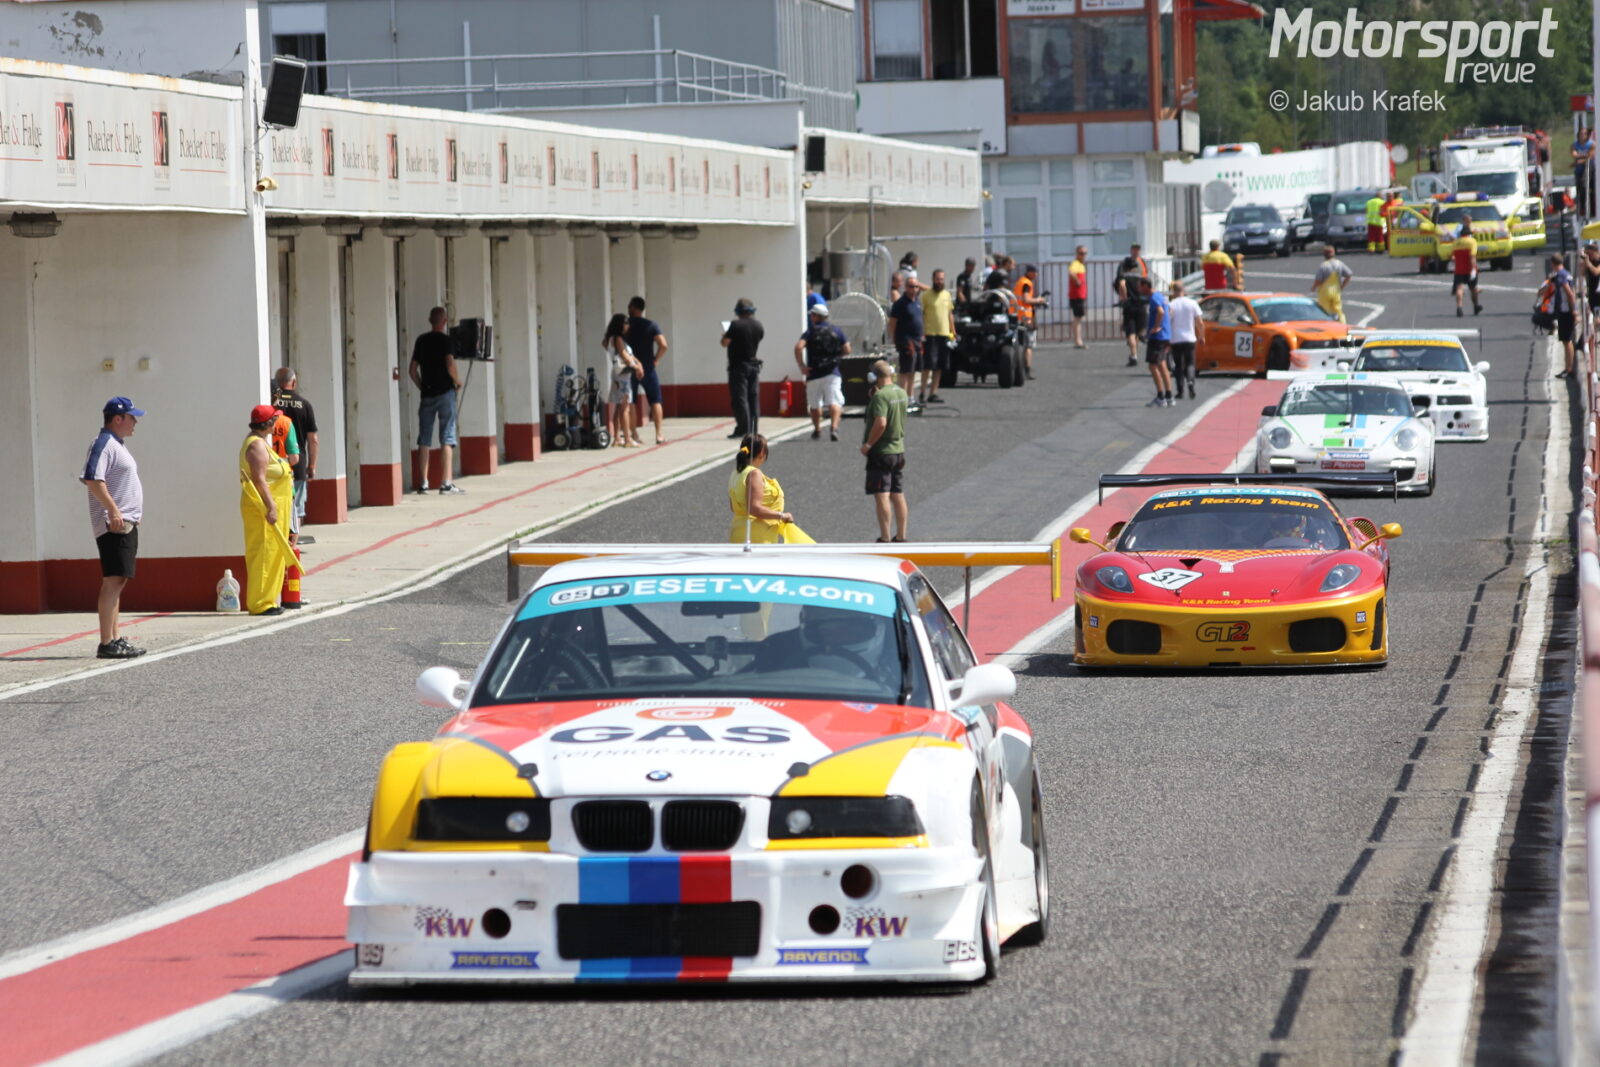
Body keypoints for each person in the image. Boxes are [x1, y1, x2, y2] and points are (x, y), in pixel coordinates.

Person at [81, 397, 147, 659]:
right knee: (113, 580)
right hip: (113, 524)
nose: (135, 422)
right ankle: (106, 641)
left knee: (119, 580)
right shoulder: (103, 443)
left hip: (124, 523)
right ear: (117, 418)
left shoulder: (117, 445)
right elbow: (92, 479)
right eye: (131, 417)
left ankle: (115, 638)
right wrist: (114, 510)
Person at [239, 403, 295, 616]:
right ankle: (260, 603)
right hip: (262, 508)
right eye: (275, 419)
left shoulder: (262, 443)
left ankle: (269, 600)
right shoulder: (256, 446)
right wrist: (271, 507)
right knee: (263, 554)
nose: (277, 422)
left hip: (273, 506)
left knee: (274, 553)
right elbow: (259, 479)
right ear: (268, 423)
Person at [408, 305, 465, 494]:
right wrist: (457, 381)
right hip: (445, 393)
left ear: (429, 321)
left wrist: (422, 386)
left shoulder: (421, 340)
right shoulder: (446, 341)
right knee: (447, 437)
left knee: (424, 438)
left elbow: (412, 370)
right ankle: (446, 483)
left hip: (427, 394)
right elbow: (450, 363)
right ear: (445, 322)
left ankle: (423, 483)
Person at [727, 432, 813, 545]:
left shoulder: (736, 474)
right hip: (758, 536)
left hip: (738, 532)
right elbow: (754, 508)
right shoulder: (754, 474)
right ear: (762, 453)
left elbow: (733, 507)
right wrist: (781, 516)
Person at [861, 358, 909, 542]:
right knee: (898, 493)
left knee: (882, 494)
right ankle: (902, 535)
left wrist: (868, 445)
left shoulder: (881, 397)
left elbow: (881, 423)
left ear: (874, 376)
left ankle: (885, 537)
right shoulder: (901, 392)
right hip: (898, 449)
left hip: (881, 451)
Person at [271, 367, 318, 546]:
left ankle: (278, 543)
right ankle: (293, 546)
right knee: (296, 508)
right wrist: (312, 466)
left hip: (273, 465)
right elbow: (313, 439)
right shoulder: (304, 404)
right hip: (296, 464)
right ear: (294, 382)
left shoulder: (271, 404)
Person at [795, 303, 849, 440]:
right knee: (834, 401)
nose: (811, 317)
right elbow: (847, 349)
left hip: (813, 373)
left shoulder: (810, 332)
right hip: (832, 372)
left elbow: (798, 347)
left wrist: (802, 365)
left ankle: (817, 429)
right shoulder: (837, 330)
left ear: (816, 316)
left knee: (815, 403)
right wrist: (837, 357)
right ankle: (834, 428)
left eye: (812, 315)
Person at [624, 296, 669, 445]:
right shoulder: (651, 325)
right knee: (655, 400)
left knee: (631, 401)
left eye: (629, 306)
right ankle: (659, 434)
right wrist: (656, 360)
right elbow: (663, 345)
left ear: (633, 308)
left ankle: (634, 434)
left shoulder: (626, 325)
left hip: (630, 367)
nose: (628, 309)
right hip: (648, 367)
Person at [721, 298, 764, 440]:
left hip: (738, 367)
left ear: (738, 311)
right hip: (754, 366)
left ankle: (743, 429)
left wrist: (725, 335)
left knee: (740, 398)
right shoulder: (758, 325)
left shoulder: (735, 325)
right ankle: (754, 429)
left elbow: (725, 343)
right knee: (753, 398)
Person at [602, 312, 642, 448]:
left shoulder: (609, 339)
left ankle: (617, 438)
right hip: (623, 376)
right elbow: (625, 356)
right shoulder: (618, 339)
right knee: (625, 408)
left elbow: (610, 349)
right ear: (619, 324)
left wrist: (638, 363)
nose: (627, 325)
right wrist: (637, 367)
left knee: (619, 407)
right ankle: (628, 439)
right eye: (625, 323)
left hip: (617, 375)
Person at [919, 269, 955, 404]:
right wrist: (921, 332)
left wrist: (953, 330)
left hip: (944, 334)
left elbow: (950, 314)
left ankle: (933, 393)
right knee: (928, 365)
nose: (940, 281)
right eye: (937, 279)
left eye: (941, 279)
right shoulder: (926, 296)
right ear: (933, 279)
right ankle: (922, 392)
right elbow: (921, 315)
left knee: (940, 366)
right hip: (930, 335)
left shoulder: (947, 295)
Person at [1167, 281, 1205, 401]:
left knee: (1178, 365)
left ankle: (1180, 390)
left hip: (1176, 339)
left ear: (1173, 292)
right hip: (1189, 338)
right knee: (1190, 363)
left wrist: (1167, 338)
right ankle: (1190, 381)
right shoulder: (1192, 303)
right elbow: (1200, 322)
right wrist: (1202, 336)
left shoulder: (1171, 305)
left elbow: (1167, 322)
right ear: (1184, 290)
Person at [887, 278, 924, 400]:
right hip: (906, 341)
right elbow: (892, 323)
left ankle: (910, 396)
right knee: (905, 370)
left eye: (916, 286)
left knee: (913, 370)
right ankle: (902, 398)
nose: (914, 289)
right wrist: (894, 339)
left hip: (917, 340)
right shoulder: (900, 304)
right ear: (906, 287)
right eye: (911, 286)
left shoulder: (917, 302)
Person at [1141, 277, 1173, 407]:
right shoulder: (1160, 295)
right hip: (1165, 335)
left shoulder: (1154, 298)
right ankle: (1169, 395)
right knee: (1162, 364)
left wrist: (1156, 326)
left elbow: (1161, 311)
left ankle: (1161, 396)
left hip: (1157, 337)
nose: (1138, 289)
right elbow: (1169, 310)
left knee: (1152, 366)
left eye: (1140, 286)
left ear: (1145, 286)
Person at [1116, 243, 1150, 366]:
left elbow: (1121, 284)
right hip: (1140, 303)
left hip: (1129, 304)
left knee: (1130, 331)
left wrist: (1124, 297)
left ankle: (1133, 354)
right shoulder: (1140, 276)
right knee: (1139, 330)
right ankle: (1136, 346)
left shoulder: (1124, 274)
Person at [1549, 253, 1580, 378]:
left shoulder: (1561, 276)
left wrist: (1574, 311)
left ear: (1553, 264)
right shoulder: (1566, 274)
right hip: (1566, 310)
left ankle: (1569, 369)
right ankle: (1568, 367)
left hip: (1566, 311)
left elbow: (1569, 294)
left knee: (1567, 341)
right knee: (1566, 341)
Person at [1015, 264, 1044, 379]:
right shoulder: (1026, 283)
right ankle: (1026, 369)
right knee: (1028, 345)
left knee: (1020, 344)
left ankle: (1019, 368)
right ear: (1029, 272)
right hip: (1026, 318)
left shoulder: (1020, 281)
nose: (1036, 274)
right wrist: (1038, 300)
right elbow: (1026, 299)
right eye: (1035, 272)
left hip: (1018, 316)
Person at [1311, 245, 1353, 323]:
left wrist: (1313, 288)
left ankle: (1325, 326)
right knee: (1338, 310)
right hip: (1336, 291)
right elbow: (1349, 274)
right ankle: (1343, 324)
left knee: (1324, 311)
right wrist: (1342, 286)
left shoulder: (1323, 265)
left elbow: (1318, 280)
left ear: (1324, 254)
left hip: (1325, 292)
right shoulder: (1339, 263)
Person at [1450, 227, 1482, 318]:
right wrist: (1473, 269)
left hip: (1459, 270)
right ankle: (1475, 306)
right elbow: (1472, 257)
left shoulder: (1456, 243)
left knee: (1459, 288)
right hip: (1469, 269)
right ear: (1469, 234)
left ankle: (1459, 307)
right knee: (1473, 288)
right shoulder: (1472, 242)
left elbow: (1452, 257)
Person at [1068, 246, 1089, 349]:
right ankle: (1078, 341)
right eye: (1081, 253)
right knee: (1077, 317)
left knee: (1079, 317)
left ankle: (1078, 340)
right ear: (1077, 254)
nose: (1083, 255)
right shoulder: (1075, 264)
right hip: (1076, 295)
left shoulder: (1081, 265)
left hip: (1080, 294)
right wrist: (1077, 281)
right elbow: (1071, 272)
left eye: (1084, 253)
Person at [1573, 128, 1595, 217]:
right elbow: (1574, 154)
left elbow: (1590, 155)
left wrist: (1582, 158)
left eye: (1585, 134)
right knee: (1581, 189)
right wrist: (1584, 156)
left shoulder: (1591, 144)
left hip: (1590, 169)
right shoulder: (1575, 145)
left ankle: (1592, 209)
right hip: (1579, 171)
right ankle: (1583, 209)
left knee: (1591, 189)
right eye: (1581, 134)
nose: (1583, 136)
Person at [1581, 242, 1600, 333]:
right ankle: (1595, 337)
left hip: (1598, 294)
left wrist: (1588, 263)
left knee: (1597, 319)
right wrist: (1585, 262)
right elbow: (1582, 273)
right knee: (1596, 318)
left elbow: (1596, 272)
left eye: (1590, 254)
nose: (1589, 256)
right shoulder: (1589, 262)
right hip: (1593, 294)